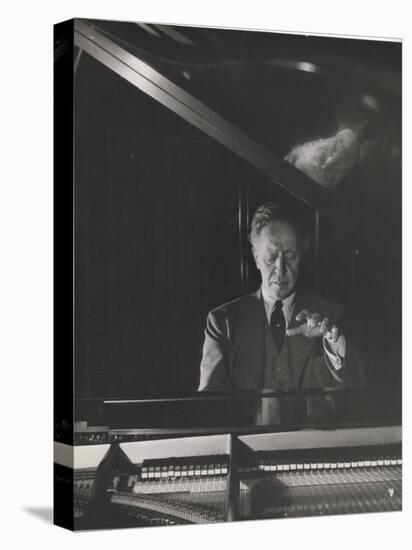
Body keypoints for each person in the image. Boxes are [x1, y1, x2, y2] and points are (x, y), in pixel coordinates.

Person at [198, 201, 365, 392]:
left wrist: (334, 344)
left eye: (290, 256)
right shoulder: (222, 321)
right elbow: (209, 407)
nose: (280, 269)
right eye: (271, 256)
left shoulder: (332, 315)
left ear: (301, 256)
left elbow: (356, 393)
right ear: (255, 257)